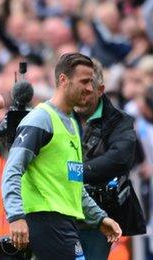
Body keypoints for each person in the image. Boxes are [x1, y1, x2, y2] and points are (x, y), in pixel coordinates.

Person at [2, 53, 122, 259]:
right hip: (45, 221)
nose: (90, 88)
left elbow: (74, 184)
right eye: (84, 81)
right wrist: (15, 217)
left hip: (63, 223)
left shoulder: (70, 124)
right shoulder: (41, 119)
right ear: (63, 80)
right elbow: (12, 169)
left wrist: (99, 218)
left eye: (92, 82)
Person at [74, 60, 146, 258]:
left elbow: (119, 159)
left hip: (98, 214)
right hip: (59, 211)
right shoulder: (57, 116)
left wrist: (74, 171)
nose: (80, 98)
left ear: (100, 89)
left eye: (87, 92)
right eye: (77, 90)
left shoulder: (120, 121)